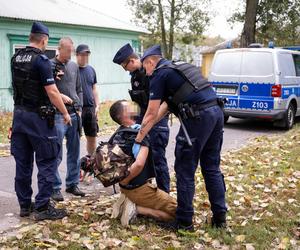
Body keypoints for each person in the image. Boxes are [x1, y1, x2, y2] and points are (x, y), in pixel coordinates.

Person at [133, 45, 227, 231]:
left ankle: (184, 222)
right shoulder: (180, 68)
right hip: (216, 113)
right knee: (211, 168)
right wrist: (145, 128)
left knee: (184, 169)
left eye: (145, 67)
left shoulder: (159, 74)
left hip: (197, 118)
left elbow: (151, 112)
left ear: (151, 61)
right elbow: (165, 108)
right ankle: (220, 219)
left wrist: (138, 138)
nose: (146, 72)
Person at [10, 21, 71, 221]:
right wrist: (65, 113)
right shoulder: (42, 60)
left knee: (23, 163)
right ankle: (43, 207)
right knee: (47, 161)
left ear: (31, 37)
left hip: (19, 116)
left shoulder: (16, 57)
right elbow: (52, 91)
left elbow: (25, 87)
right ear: (44, 40)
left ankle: (25, 205)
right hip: (38, 118)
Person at [108, 100, 177, 227]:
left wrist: (123, 181)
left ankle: (129, 202)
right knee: (178, 212)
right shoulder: (139, 133)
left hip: (124, 188)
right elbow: (139, 164)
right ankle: (136, 209)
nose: (132, 105)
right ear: (123, 115)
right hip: (138, 188)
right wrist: (126, 180)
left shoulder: (117, 134)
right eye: (128, 106)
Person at [112, 43, 170, 193]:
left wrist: (147, 125)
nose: (125, 70)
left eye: (125, 66)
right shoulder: (135, 76)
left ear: (131, 61)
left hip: (157, 121)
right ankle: (144, 190)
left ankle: (164, 194)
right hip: (143, 121)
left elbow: (161, 103)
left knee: (158, 159)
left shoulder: (151, 72)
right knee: (141, 158)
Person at [50, 37, 85, 201]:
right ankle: (55, 188)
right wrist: (60, 97)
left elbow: (79, 89)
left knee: (74, 151)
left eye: (72, 50)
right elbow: (49, 90)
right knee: (56, 153)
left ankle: (72, 184)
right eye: (69, 50)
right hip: (57, 115)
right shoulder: (50, 65)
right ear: (60, 49)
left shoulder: (73, 66)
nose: (71, 53)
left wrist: (80, 108)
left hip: (74, 114)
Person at [76, 44, 99, 156]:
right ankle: (76, 166)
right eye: (82, 54)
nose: (85, 57)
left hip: (90, 109)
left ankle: (91, 161)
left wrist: (97, 105)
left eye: (87, 54)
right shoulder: (72, 69)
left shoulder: (91, 70)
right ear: (76, 55)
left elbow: (94, 88)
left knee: (92, 137)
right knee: (75, 139)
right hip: (77, 109)